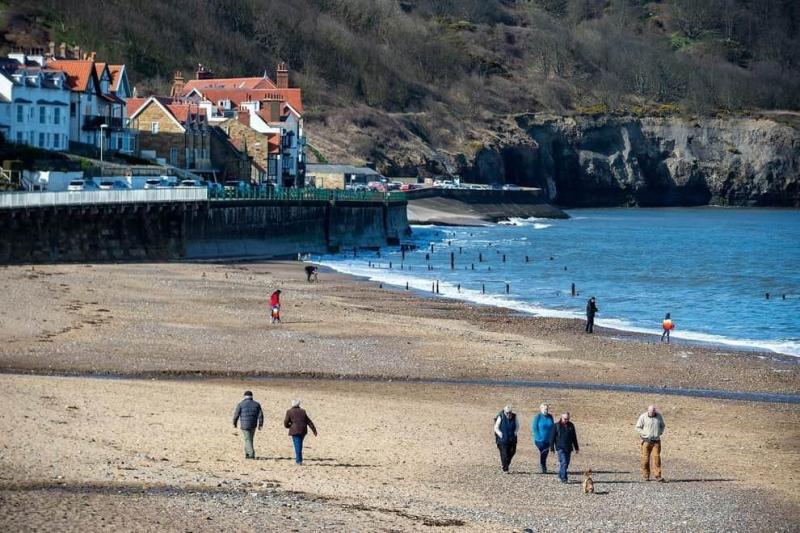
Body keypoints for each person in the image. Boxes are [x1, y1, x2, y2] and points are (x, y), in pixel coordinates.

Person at [636, 405, 666, 482]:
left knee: (657, 458)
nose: (652, 413)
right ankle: (646, 476)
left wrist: (660, 432)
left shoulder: (659, 416)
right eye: (651, 411)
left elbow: (663, 426)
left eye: (653, 411)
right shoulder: (643, 416)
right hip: (646, 441)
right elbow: (638, 427)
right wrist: (644, 434)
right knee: (645, 459)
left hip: (656, 441)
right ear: (648, 411)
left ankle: (658, 476)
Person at [283, 399, 317, 464]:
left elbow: (286, 422)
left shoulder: (289, 411)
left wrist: (289, 426)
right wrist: (314, 430)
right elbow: (309, 421)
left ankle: (299, 461)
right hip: (303, 430)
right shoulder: (303, 411)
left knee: (297, 445)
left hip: (294, 430)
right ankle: (299, 460)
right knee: (299, 444)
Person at [232, 391, 264, 459]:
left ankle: (251, 454)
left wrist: (234, 423)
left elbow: (236, 415)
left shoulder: (241, 404)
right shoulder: (256, 404)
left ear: (244, 396)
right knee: (250, 439)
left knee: (247, 439)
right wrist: (260, 424)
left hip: (244, 425)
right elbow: (260, 415)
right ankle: (247, 454)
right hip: (253, 424)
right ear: (252, 396)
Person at [550, 412, 579, 483]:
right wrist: (552, 448)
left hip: (568, 448)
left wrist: (576, 447)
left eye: (568, 419)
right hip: (560, 447)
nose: (566, 420)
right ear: (561, 417)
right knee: (564, 462)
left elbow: (574, 437)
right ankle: (564, 478)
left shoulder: (571, 425)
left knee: (567, 463)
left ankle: (560, 475)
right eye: (565, 419)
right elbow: (552, 438)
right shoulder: (556, 425)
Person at [494, 405, 519, 473]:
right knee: (504, 453)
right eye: (507, 412)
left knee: (513, 452)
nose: (508, 414)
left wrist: (515, 433)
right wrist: (500, 434)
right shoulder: (501, 416)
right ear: (504, 412)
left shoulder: (514, 416)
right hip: (503, 439)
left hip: (512, 438)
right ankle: (505, 468)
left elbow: (517, 426)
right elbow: (496, 427)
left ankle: (505, 464)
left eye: (510, 412)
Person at [531, 403, 555, 473]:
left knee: (545, 453)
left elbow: (552, 426)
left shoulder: (550, 416)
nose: (546, 410)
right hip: (539, 440)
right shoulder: (537, 417)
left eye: (547, 409)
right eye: (544, 409)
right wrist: (539, 437)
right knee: (544, 451)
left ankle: (542, 465)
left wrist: (553, 436)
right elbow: (534, 428)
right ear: (541, 409)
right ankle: (543, 466)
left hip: (548, 439)